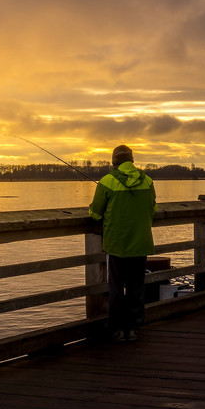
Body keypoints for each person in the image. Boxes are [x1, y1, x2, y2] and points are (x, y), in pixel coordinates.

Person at [88, 145, 157, 342]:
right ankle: (134, 328)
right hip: (140, 242)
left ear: (114, 162)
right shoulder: (148, 181)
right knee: (137, 286)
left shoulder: (107, 182)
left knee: (116, 288)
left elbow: (96, 213)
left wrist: (92, 210)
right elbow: (153, 209)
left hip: (117, 244)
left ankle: (117, 330)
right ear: (132, 161)